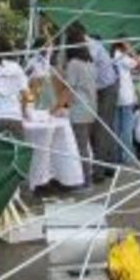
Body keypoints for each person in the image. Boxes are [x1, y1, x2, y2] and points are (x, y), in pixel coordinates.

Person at [77, 26, 119, 173]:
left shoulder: (91, 45)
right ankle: (110, 165)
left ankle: (100, 169)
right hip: (101, 87)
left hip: (107, 87)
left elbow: (88, 67)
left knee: (102, 126)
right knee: (104, 126)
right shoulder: (83, 44)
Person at [54, 45, 97, 187]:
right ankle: (86, 178)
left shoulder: (74, 64)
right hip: (90, 108)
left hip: (79, 110)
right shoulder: (90, 64)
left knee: (79, 147)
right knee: (85, 146)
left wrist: (56, 107)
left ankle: (84, 180)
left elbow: (69, 89)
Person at [112, 40, 140, 163]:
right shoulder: (122, 57)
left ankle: (117, 155)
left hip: (116, 96)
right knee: (127, 128)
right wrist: (131, 50)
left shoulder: (112, 56)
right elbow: (138, 62)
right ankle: (127, 156)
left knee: (117, 128)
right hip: (126, 97)